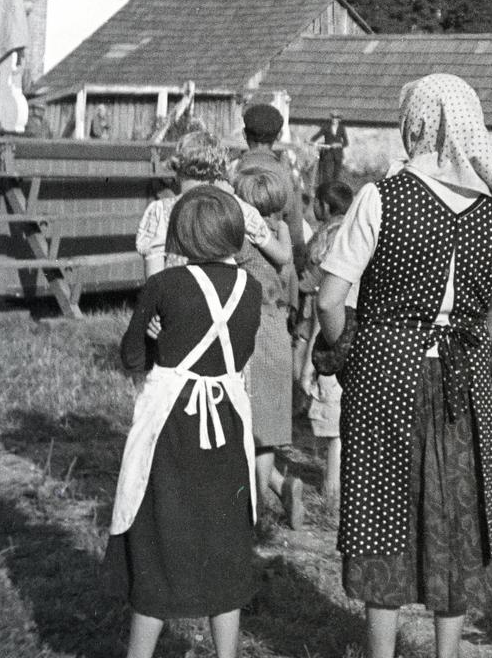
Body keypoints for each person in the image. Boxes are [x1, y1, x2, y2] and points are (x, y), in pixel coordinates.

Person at [315, 74, 492, 658]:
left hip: (386, 364)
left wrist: (346, 355)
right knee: (455, 507)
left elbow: (330, 299)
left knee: (380, 507)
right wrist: (466, 336)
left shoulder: (381, 197)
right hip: (462, 372)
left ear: (415, 124)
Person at [105, 186, 261, 658]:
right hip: (227, 425)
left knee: (157, 534)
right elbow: (240, 354)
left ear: (182, 236)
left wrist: (159, 341)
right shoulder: (250, 289)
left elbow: (132, 355)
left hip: (172, 426)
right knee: (225, 535)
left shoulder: (165, 286)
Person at [233, 164, 307, 529]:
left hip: (250, 331)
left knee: (244, 426)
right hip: (278, 331)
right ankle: (271, 492)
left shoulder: (242, 241)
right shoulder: (282, 234)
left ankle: (256, 511)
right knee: (267, 433)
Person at [136, 131, 291, 280]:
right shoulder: (238, 208)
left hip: (177, 299)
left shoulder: (161, 211)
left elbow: (153, 279)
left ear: (178, 166)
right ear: (219, 168)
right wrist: (283, 227)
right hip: (224, 300)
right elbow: (282, 256)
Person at [297, 179, 354, 502]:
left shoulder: (329, 238)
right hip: (360, 331)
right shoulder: (359, 229)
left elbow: (318, 294)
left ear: (326, 206)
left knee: (334, 420)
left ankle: (333, 490)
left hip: (334, 332)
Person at [237, 104, 308, 274]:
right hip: (276, 265)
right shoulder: (288, 175)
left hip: (238, 265)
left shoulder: (233, 172)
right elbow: (296, 231)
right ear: (280, 136)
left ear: (244, 134)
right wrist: (299, 263)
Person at [312, 110, 349, 188]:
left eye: (336, 118)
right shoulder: (326, 127)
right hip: (328, 154)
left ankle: (334, 190)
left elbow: (346, 142)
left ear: (339, 119)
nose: (334, 120)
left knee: (336, 175)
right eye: (333, 118)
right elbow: (316, 136)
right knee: (327, 175)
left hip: (338, 154)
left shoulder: (341, 128)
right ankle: (326, 189)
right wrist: (311, 141)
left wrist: (338, 145)